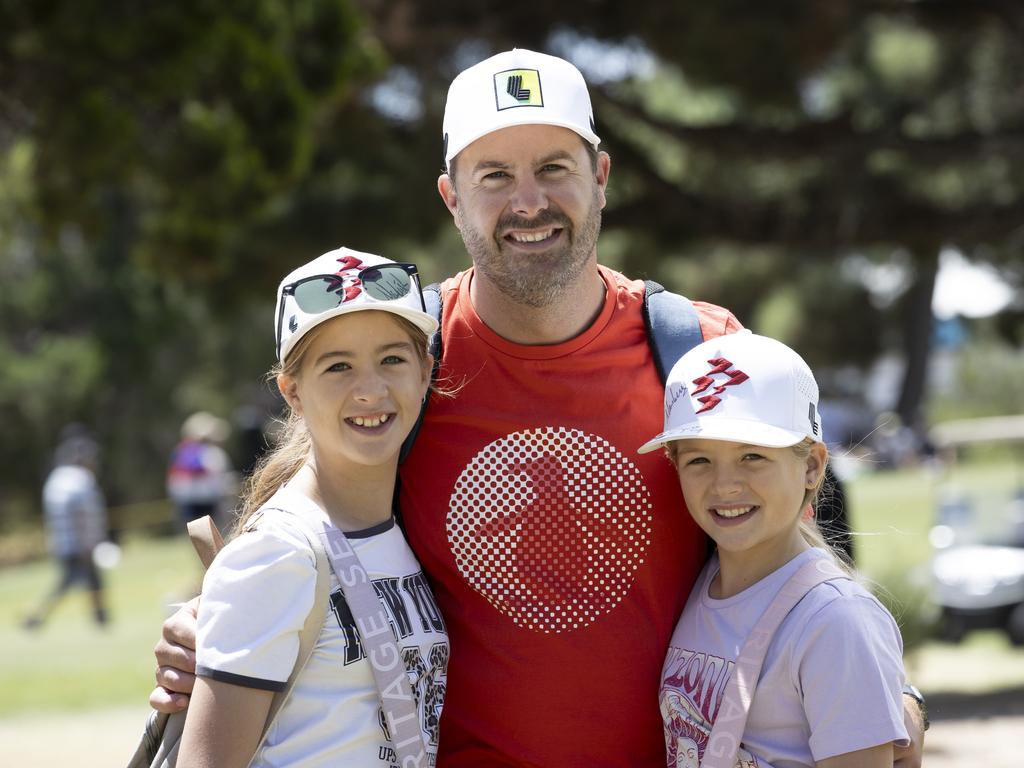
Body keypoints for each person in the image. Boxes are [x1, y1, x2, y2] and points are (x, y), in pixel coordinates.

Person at [151, 49, 925, 766]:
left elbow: (795, 561)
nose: (529, 203)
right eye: (494, 176)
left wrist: (888, 691)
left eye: (554, 168)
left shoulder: (696, 349)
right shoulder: (404, 363)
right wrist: (216, 631)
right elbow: (300, 517)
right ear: (452, 197)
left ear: (601, 176)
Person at [177, 247, 448, 766]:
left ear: (425, 370)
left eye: (392, 358)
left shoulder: (402, 532)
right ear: (293, 392)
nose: (370, 389)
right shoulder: (280, 550)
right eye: (338, 366)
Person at [639, 331, 910, 767]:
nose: (724, 485)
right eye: (698, 461)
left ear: (811, 465)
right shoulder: (702, 585)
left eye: (753, 457)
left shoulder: (834, 621)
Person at [23, 429, 109, 629]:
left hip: (61, 542)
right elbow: (83, 515)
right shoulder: (80, 480)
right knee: (71, 582)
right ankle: (37, 615)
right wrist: (87, 544)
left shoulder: (57, 478)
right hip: (78, 543)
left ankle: (100, 617)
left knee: (83, 581)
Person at [166, 410, 234, 528]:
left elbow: (173, 479)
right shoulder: (214, 453)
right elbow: (220, 479)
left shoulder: (181, 452)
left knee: (194, 535)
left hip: (186, 499)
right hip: (210, 499)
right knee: (213, 534)